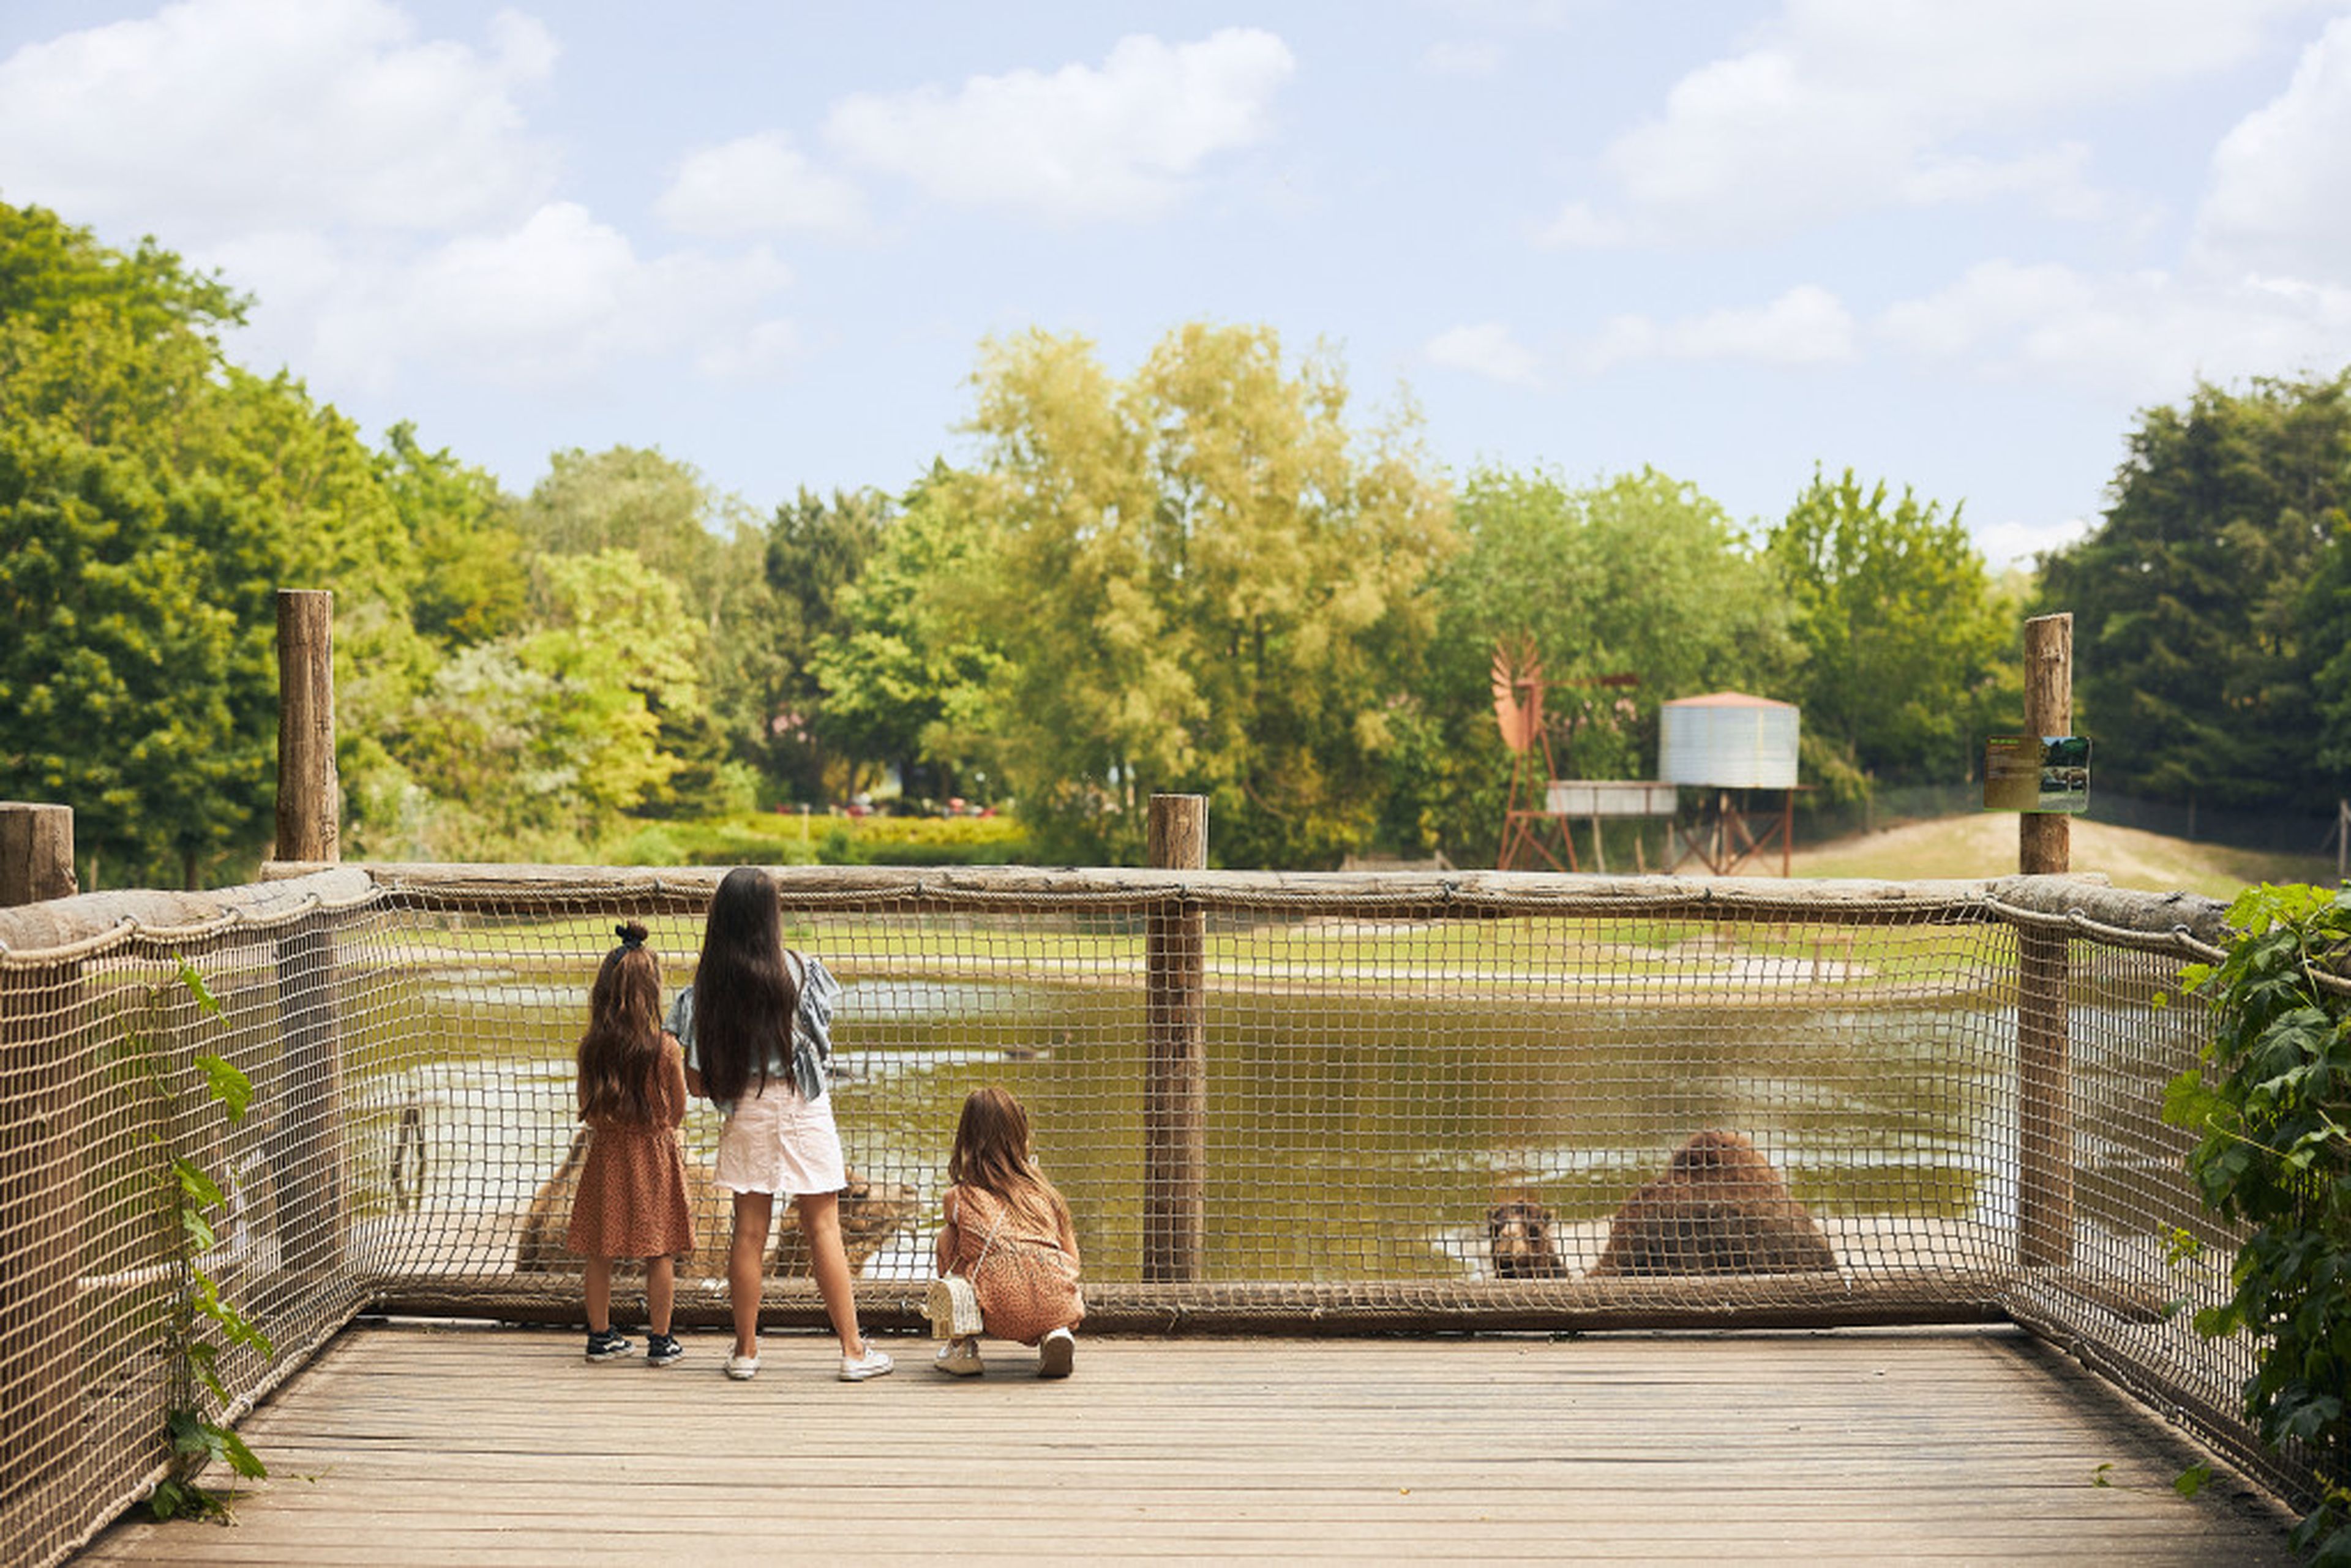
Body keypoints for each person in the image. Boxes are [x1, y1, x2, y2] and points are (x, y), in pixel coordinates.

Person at [670, 866, 892, 1383]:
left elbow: (698, 1084)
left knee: (748, 1233)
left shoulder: (708, 987)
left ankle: (746, 1351)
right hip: (802, 1106)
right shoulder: (801, 970)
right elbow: (820, 1049)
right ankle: (853, 1352)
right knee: (824, 1228)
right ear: (770, 918)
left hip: (746, 1111)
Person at [566, 921, 695, 1367]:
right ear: (653, 991)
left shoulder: (591, 1048)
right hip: (655, 1156)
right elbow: (678, 1109)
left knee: (600, 1250)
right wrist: (658, 1127)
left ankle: (600, 1336)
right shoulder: (667, 1048)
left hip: (607, 1156)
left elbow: (587, 1105)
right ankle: (661, 1340)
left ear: (603, 991)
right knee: (660, 1249)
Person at [932, 1086, 1083, 1379]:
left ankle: (961, 1347)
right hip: (1059, 1302)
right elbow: (1073, 1260)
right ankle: (1055, 1331)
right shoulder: (1046, 1194)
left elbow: (958, 1250)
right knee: (1050, 1248)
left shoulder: (958, 1197)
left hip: (999, 1310)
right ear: (1021, 1135)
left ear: (966, 1139)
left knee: (947, 1238)